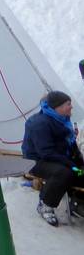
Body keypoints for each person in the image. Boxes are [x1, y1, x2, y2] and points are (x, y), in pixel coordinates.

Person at [22, 91, 84, 226]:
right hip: (36, 161)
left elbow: (70, 144)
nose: (71, 107)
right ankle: (45, 205)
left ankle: (76, 201)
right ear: (58, 106)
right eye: (68, 104)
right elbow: (47, 152)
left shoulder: (62, 120)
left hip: (59, 159)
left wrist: (79, 162)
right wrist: (70, 164)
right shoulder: (40, 124)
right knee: (64, 172)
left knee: (80, 171)